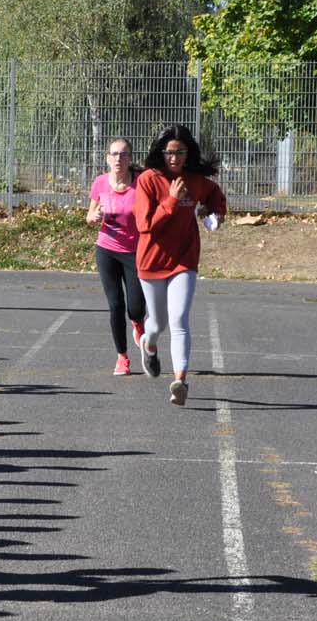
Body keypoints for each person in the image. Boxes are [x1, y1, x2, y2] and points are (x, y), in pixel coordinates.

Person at [133, 124, 226, 408]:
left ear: (188, 154)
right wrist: (172, 200)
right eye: (169, 152)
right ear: (161, 152)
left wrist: (216, 215)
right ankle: (148, 344)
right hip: (151, 261)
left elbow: (214, 195)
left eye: (180, 152)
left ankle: (180, 381)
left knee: (179, 321)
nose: (174, 158)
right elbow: (145, 225)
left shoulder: (195, 180)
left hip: (184, 260)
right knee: (158, 324)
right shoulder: (149, 180)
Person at [86, 138, 147, 376]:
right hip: (107, 250)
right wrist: (93, 217)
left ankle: (138, 323)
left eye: (123, 155)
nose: (118, 159)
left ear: (130, 159)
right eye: (114, 154)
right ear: (107, 158)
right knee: (115, 305)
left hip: (135, 251)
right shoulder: (101, 182)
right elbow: (89, 216)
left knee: (135, 307)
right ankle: (122, 357)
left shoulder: (141, 183)